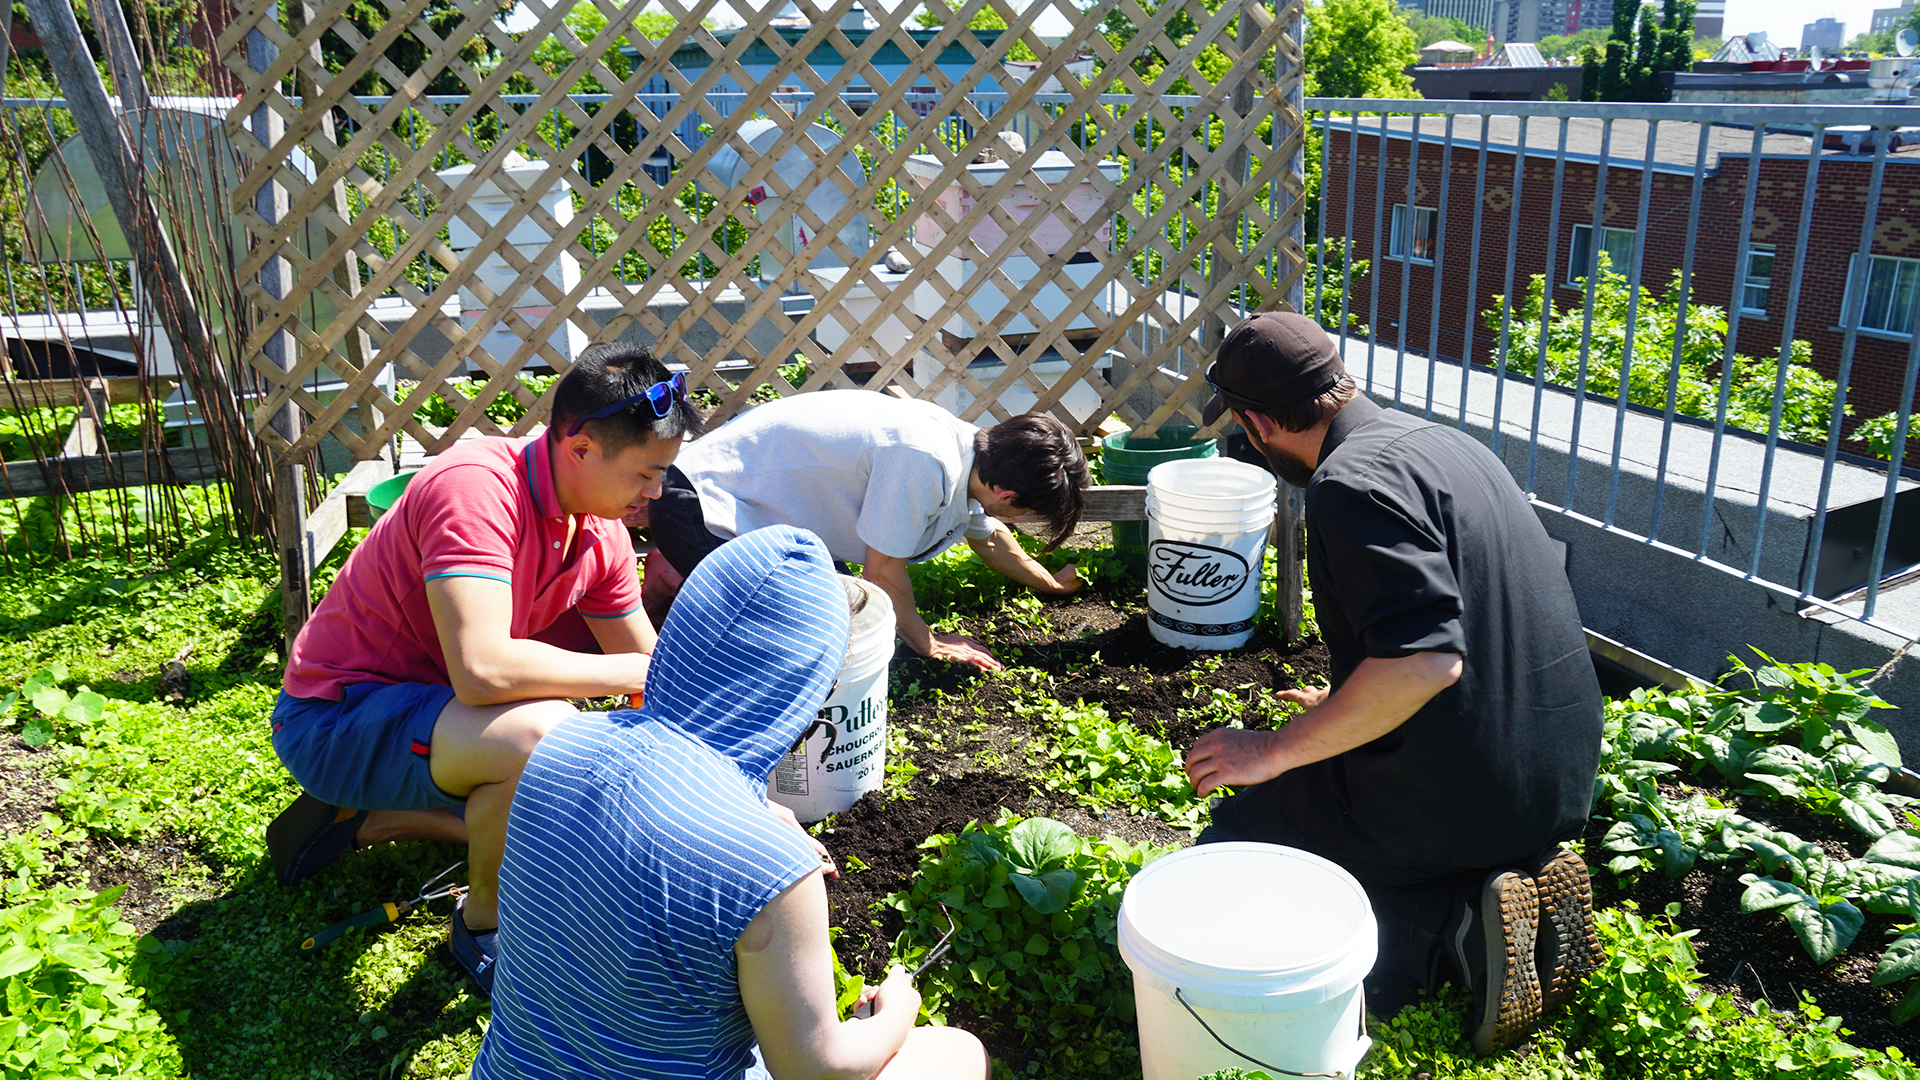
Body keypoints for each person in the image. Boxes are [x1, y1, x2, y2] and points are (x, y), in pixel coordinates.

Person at [1181, 312, 1605, 1055]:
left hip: (1473, 791)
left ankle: (1450, 934)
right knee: (1325, 790)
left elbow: (1424, 664)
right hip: (1560, 776)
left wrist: (1272, 751)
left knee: (1246, 845)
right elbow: (1455, 639)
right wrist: (1339, 711)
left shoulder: (1349, 487)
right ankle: (1518, 865)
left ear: (1256, 423)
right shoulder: (1441, 444)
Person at [472, 525, 989, 1080]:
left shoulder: (559, 744)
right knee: (957, 1054)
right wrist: (895, 1016)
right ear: (804, 689)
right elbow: (816, 1070)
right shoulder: (770, 868)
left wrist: (763, 815)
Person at [265, 342, 703, 994]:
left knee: (560, 757)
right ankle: (485, 925)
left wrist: (752, 810)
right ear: (579, 448)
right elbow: (483, 672)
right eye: (644, 474)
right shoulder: (474, 487)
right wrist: (636, 677)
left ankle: (372, 820)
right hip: (338, 718)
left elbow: (655, 680)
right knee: (542, 738)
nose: (656, 492)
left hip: (442, 716)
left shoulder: (602, 531)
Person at [642, 389, 1088, 672]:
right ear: (1008, 495)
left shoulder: (972, 451)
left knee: (835, 603)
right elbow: (883, 573)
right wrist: (929, 642)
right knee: (799, 641)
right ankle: (677, 579)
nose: (1013, 520)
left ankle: (678, 578)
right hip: (699, 505)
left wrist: (1048, 584)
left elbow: (987, 535)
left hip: (745, 505)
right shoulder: (926, 462)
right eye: (1023, 512)